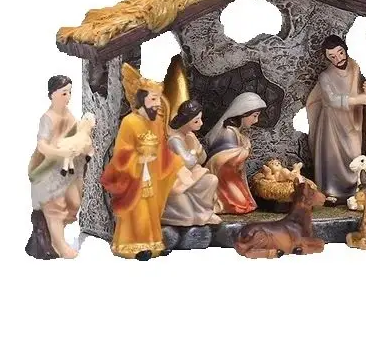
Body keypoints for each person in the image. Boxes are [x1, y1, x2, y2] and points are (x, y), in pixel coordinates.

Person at [100, 63, 184, 260]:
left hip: (152, 174)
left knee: (151, 210)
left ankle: (153, 244)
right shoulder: (130, 122)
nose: (157, 103)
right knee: (138, 211)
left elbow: (162, 148)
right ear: (142, 99)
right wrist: (138, 158)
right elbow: (121, 153)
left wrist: (174, 162)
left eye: (158, 98)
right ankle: (133, 246)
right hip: (134, 176)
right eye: (153, 99)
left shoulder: (156, 122)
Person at [306, 35, 366, 205]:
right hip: (332, 123)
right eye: (332, 56)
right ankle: (331, 191)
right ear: (327, 58)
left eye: (340, 53)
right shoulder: (325, 76)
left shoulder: (355, 68)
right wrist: (357, 100)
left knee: (355, 154)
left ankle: (356, 189)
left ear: (345, 50)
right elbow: (331, 100)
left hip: (353, 120)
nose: (338, 59)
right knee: (332, 158)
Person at [27, 75, 87, 259]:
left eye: (69, 92)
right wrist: (60, 152)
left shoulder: (68, 114)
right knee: (56, 208)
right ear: (52, 94)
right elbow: (42, 146)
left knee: (74, 203)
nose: (68, 97)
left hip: (69, 169)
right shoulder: (48, 118)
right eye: (63, 93)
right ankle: (58, 244)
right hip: (51, 170)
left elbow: (76, 135)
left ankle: (53, 231)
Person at [204, 92, 267, 214]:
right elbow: (227, 159)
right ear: (243, 113)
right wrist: (246, 149)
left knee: (244, 203)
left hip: (232, 177)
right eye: (254, 116)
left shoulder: (236, 132)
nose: (256, 120)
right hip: (223, 179)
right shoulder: (228, 132)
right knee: (241, 204)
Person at [163, 99, 222, 227]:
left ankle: (204, 212)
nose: (201, 123)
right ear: (186, 121)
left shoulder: (190, 136)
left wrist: (197, 147)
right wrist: (194, 149)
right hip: (178, 179)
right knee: (187, 215)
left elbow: (202, 159)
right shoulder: (175, 140)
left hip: (191, 175)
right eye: (196, 121)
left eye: (200, 119)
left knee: (212, 180)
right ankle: (187, 213)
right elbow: (187, 162)